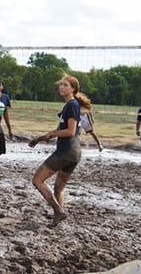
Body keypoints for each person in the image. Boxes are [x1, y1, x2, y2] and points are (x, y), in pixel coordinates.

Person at [29, 75, 92, 227]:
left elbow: (70, 131)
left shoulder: (72, 105)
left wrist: (54, 134)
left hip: (66, 152)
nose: (61, 87)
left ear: (73, 89)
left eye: (65, 85)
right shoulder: (70, 105)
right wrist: (40, 138)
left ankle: (58, 211)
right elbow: (59, 129)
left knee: (37, 180)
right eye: (60, 85)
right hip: (74, 154)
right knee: (59, 187)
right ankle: (58, 218)